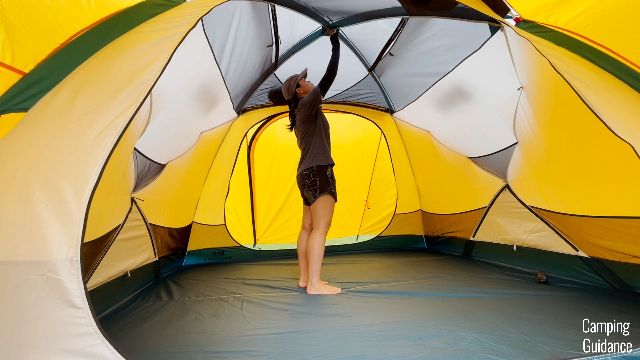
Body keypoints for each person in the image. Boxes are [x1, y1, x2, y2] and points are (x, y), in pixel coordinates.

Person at [268, 28, 341, 295]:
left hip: (305, 174)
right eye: (305, 81)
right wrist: (335, 41)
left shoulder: (300, 113)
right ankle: (314, 283)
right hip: (319, 171)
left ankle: (304, 278)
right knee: (321, 227)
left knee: (307, 227)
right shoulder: (308, 104)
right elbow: (330, 75)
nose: (310, 83)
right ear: (300, 90)